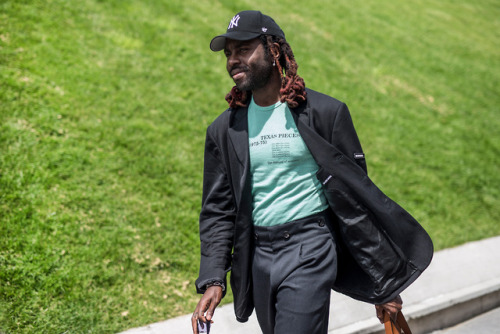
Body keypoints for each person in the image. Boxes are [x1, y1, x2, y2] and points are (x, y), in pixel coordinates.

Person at [191, 10, 433, 334]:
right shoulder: (225, 129)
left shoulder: (325, 114)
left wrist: (383, 281)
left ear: (274, 49)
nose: (234, 60)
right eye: (229, 53)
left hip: (311, 246)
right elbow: (218, 210)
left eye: (244, 49)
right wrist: (212, 278)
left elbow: (357, 202)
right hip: (258, 256)